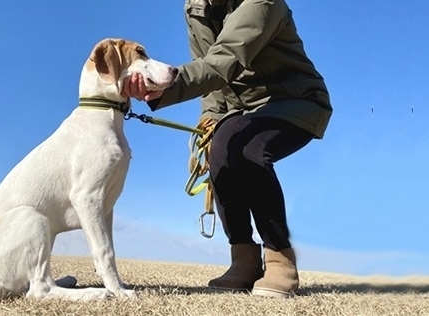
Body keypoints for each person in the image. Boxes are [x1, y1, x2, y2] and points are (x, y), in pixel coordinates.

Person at [122, 0, 332, 298]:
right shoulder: (194, 8)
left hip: (295, 100)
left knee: (247, 149)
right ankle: (243, 259)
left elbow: (223, 60)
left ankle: (279, 258)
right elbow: (209, 76)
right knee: (220, 149)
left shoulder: (263, 2)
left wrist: (161, 85)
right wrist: (210, 121)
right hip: (243, 109)